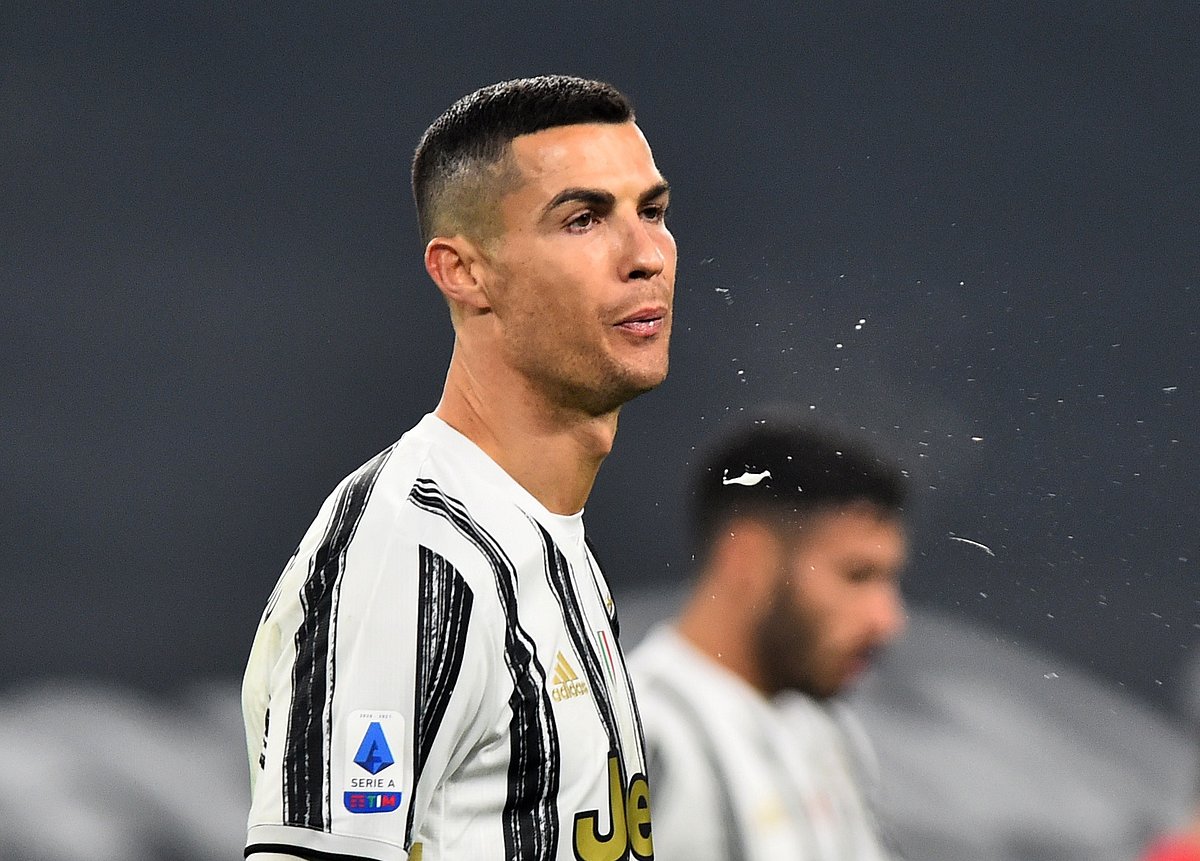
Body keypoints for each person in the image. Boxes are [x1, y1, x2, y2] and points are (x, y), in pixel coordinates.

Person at [242, 75, 675, 861]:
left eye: (652, 211)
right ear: (463, 272)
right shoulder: (414, 551)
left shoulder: (545, 539)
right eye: (583, 219)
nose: (645, 255)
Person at [629, 414, 908, 861]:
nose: (887, 619)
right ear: (748, 558)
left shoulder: (829, 732)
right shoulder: (641, 738)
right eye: (857, 575)